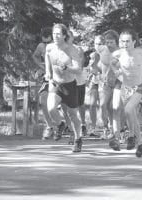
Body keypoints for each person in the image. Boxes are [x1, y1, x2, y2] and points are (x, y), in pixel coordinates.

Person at [109, 29, 142, 157]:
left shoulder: (141, 52)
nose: (125, 44)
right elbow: (111, 62)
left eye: (128, 41)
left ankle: (136, 140)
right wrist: (116, 71)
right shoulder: (118, 53)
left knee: (129, 110)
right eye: (123, 41)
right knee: (132, 116)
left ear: (134, 42)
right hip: (125, 88)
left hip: (138, 87)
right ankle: (140, 143)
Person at [45, 23, 82, 152]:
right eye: (54, 34)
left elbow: (78, 70)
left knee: (73, 115)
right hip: (55, 83)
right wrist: (48, 71)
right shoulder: (49, 48)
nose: (55, 36)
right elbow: (47, 56)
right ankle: (60, 124)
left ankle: (78, 139)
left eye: (58, 34)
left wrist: (66, 67)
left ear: (64, 35)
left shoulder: (71, 50)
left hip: (70, 85)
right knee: (50, 108)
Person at [32, 27, 55, 140]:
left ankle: (69, 128)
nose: (46, 45)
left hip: (61, 78)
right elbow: (35, 56)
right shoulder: (41, 46)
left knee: (65, 105)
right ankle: (50, 126)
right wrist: (41, 66)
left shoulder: (59, 45)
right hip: (47, 78)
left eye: (48, 42)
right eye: (44, 42)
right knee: (43, 101)